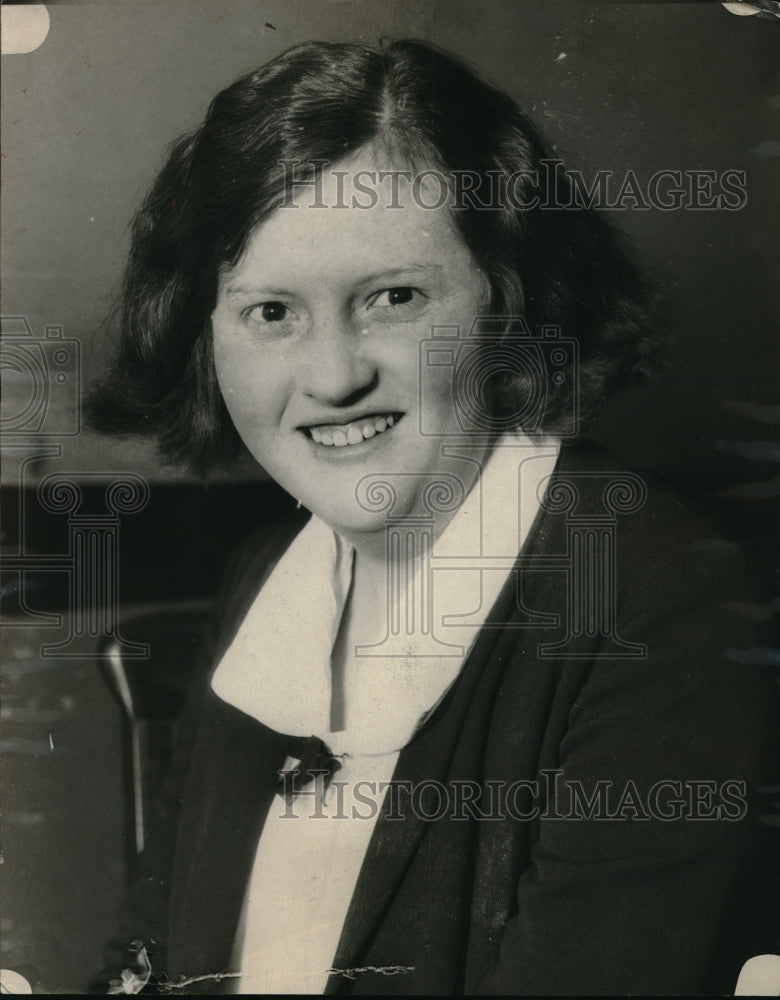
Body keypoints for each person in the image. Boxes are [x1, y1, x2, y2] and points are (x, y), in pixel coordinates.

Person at [88, 39, 776, 995]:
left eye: (394, 297)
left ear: (510, 298)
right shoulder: (266, 578)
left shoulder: (660, 598)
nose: (333, 377)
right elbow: (149, 963)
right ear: (206, 335)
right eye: (270, 313)